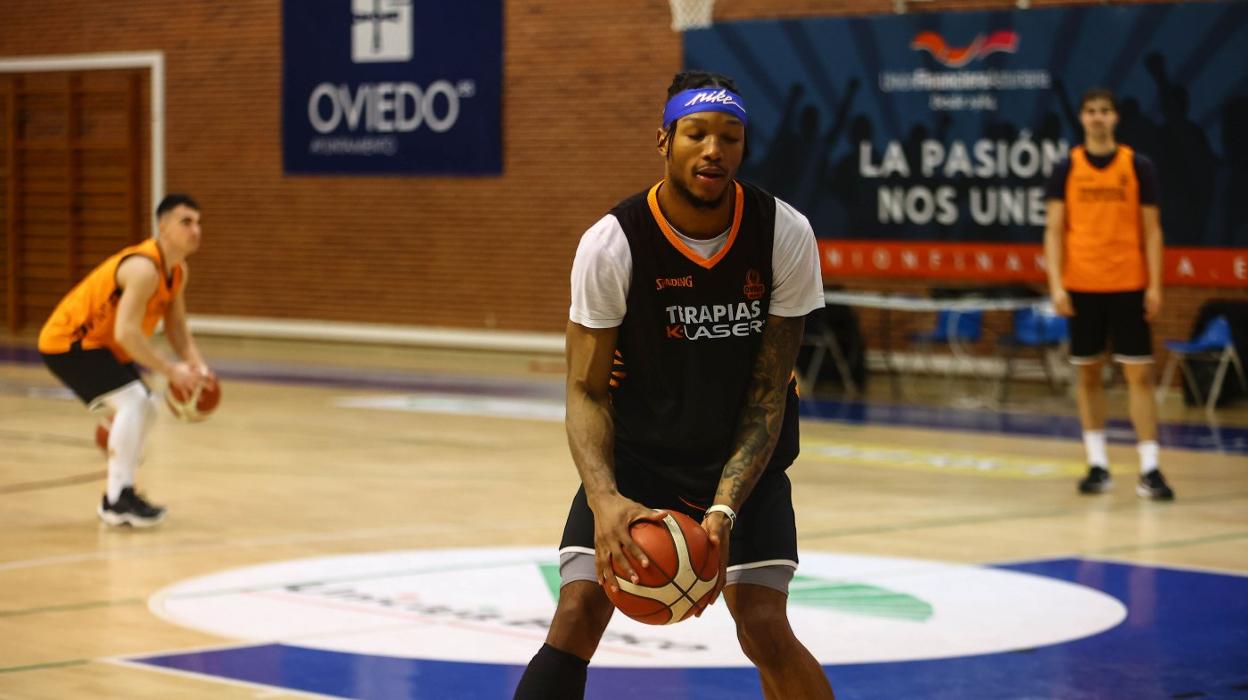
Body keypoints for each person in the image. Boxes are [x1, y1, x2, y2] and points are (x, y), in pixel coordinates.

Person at [512, 72, 835, 699]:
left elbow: (769, 395)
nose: (714, 149)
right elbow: (585, 390)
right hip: (638, 458)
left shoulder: (784, 233)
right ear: (665, 140)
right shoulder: (613, 243)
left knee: (763, 625)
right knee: (578, 611)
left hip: (744, 463)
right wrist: (605, 501)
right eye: (697, 134)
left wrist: (722, 509)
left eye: (730, 137)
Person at [39, 193, 213, 526]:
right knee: (135, 402)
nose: (196, 230)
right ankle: (116, 500)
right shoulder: (142, 268)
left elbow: (177, 328)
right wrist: (170, 371)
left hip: (101, 347)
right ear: (163, 226)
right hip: (69, 341)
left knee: (146, 406)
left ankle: (123, 489)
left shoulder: (176, 271)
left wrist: (196, 365)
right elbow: (127, 333)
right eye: (186, 222)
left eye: (199, 222)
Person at [1043, 88, 1174, 500]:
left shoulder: (1138, 166)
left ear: (1115, 118)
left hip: (1128, 283)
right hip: (1082, 284)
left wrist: (1154, 283)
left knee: (1139, 374)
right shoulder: (1067, 167)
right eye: (1091, 112)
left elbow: (1152, 231)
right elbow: (1053, 230)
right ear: (1082, 119)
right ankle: (1097, 464)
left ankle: (1150, 469)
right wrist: (1056, 284)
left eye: (1104, 111)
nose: (1098, 118)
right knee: (1088, 374)